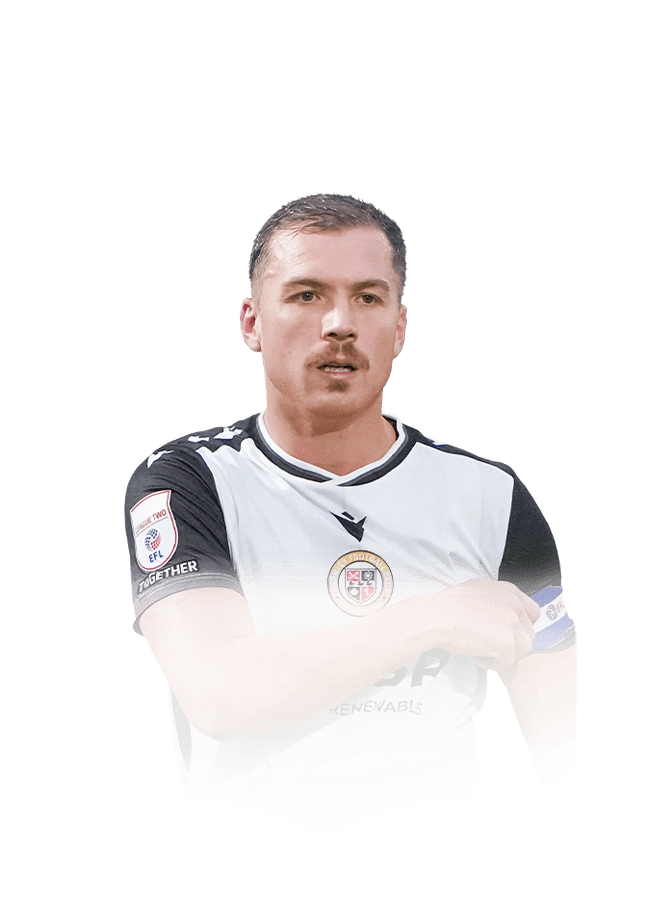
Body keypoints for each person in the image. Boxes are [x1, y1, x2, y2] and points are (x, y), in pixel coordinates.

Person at [124, 192, 577, 832]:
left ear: (399, 325)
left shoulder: (492, 496)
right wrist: (436, 619)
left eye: (368, 297)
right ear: (252, 323)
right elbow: (220, 694)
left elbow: (559, 754)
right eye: (306, 294)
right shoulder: (189, 481)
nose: (340, 323)